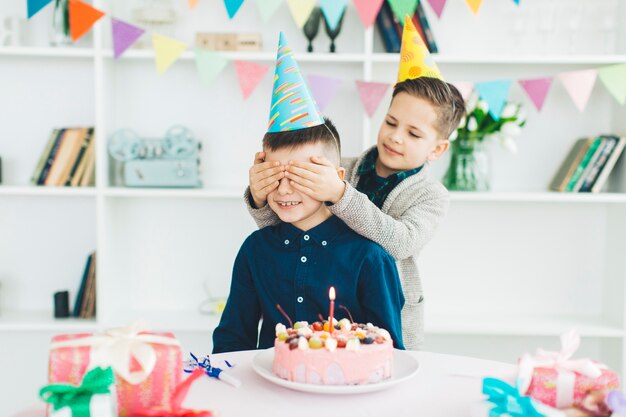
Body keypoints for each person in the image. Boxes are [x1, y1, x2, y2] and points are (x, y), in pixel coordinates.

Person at [245, 18, 465, 350]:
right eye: (391, 122)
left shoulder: (431, 196)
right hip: (334, 308)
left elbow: (399, 243)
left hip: (389, 320)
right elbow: (288, 225)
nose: (395, 136)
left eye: (413, 133)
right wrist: (262, 199)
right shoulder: (343, 167)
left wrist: (339, 194)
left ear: (437, 148)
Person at [212, 34, 405, 354]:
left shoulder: (370, 258)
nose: (285, 188)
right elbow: (233, 340)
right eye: (275, 175)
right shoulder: (255, 250)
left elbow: (390, 352)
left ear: (336, 178)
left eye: (301, 175)